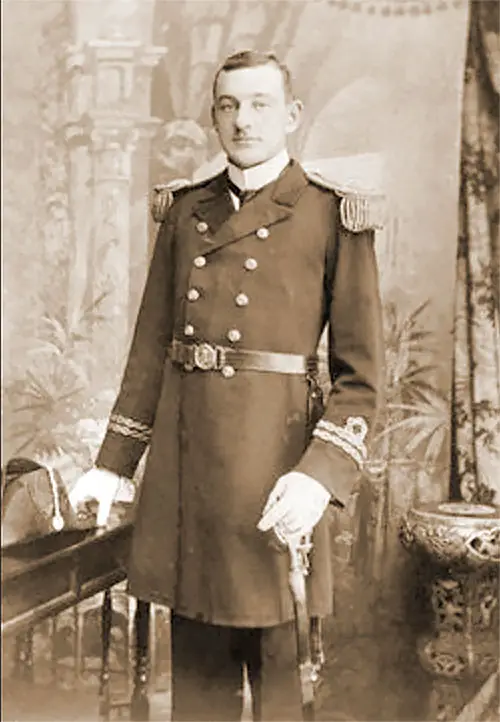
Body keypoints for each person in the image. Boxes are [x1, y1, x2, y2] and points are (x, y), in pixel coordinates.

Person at [70, 50, 384, 721]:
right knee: (201, 700)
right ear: (214, 116)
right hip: (192, 487)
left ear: (292, 115)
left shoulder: (332, 213)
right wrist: (112, 466)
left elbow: (361, 381)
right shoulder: (186, 212)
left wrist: (318, 476)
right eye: (229, 105)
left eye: (261, 104)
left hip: (278, 486)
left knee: (277, 695)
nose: (244, 121)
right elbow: (150, 348)